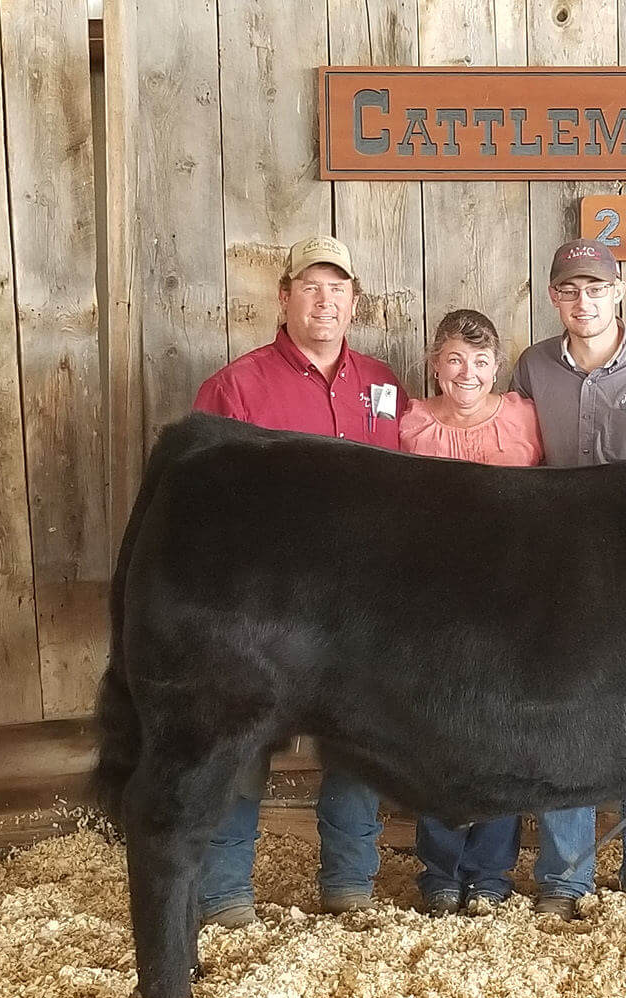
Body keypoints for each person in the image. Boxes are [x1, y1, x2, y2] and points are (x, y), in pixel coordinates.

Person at [190, 235, 404, 923]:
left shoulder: (383, 386)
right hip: (265, 606)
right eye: (311, 286)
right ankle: (225, 892)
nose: (325, 300)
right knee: (242, 740)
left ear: (354, 301)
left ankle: (349, 885)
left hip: (363, 602)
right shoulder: (236, 386)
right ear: (283, 298)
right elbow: (205, 507)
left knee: (359, 744)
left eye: (337, 288)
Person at [510, 239, 626, 924]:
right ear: (554, 297)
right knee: (565, 717)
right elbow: (520, 466)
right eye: (569, 290)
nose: (582, 301)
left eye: (595, 288)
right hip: (560, 573)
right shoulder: (532, 367)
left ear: (621, 293)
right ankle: (564, 880)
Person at [398, 308, 544, 913]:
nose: (468, 372)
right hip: (429, 600)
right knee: (435, 733)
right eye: (455, 358)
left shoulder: (523, 418)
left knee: (502, 733)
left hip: (509, 598)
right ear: (435, 364)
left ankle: (490, 872)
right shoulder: (407, 424)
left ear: (497, 368)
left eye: (481, 361)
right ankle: (438, 871)